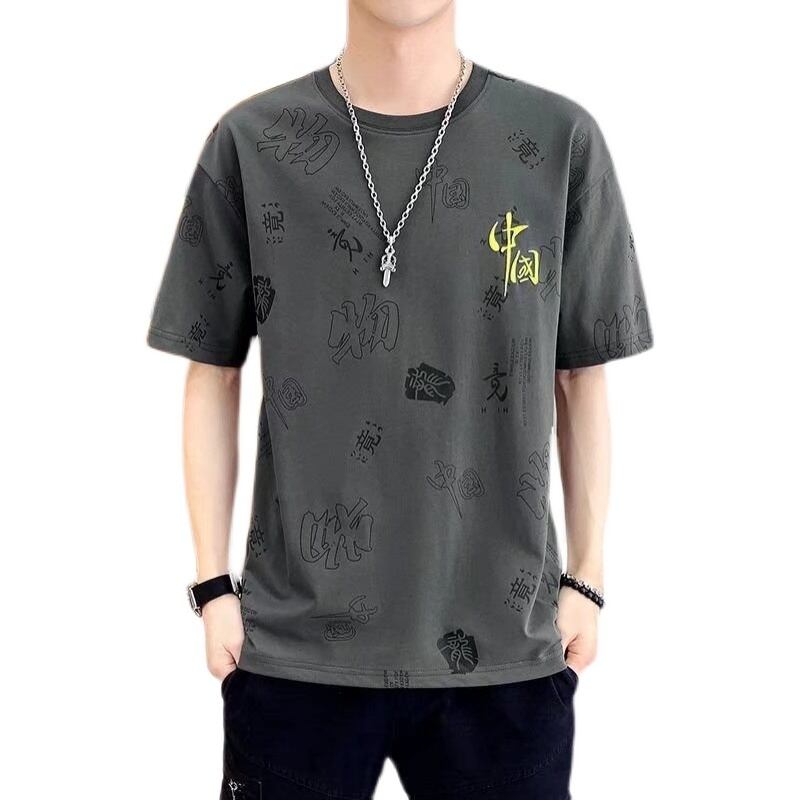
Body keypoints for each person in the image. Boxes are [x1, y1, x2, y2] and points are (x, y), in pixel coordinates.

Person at [147, 1, 652, 797]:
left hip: (504, 649)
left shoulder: (557, 143)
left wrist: (586, 579)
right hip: (295, 650)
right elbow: (211, 369)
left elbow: (581, 373)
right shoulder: (253, 142)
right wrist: (213, 587)